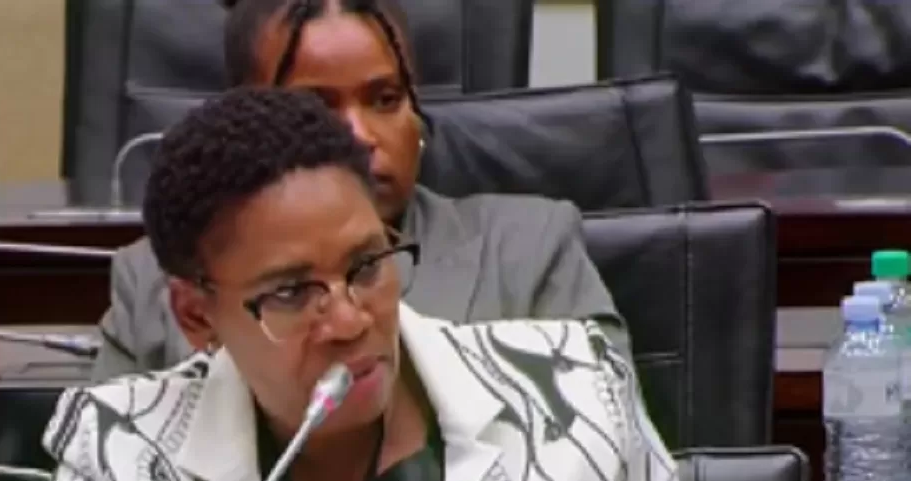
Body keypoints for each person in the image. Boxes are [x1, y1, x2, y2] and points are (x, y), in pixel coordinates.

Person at [0, 88, 745, 481]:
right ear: (196, 314)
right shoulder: (124, 448)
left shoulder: (569, 391)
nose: (349, 319)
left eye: (366, 266)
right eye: (293, 293)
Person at [92, 0, 628, 380]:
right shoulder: (155, 283)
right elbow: (110, 473)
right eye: (316, 107)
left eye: (386, 99)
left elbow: (607, 447)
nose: (359, 135)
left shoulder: (530, 252)